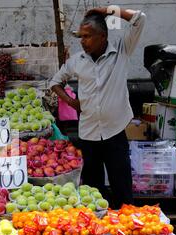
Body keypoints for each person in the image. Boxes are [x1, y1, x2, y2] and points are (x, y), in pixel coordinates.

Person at [50, 7, 146, 209]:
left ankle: (124, 228)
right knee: (93, 192)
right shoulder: (77, 61)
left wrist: (107, 10)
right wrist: (71, 101)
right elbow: (55, 82)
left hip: (115, 132)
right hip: (89, 134)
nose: (83, 41)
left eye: (88, 36)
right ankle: (98, 233)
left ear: (102, 36)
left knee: (122, 188)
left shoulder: (121, 50)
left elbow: (139, 19)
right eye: (81, 37)